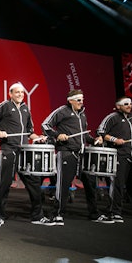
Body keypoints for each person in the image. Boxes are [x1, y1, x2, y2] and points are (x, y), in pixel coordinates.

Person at [0, 81, 55, 227]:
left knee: (34, 183)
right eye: (17, 92)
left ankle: (37, 216)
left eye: (22, 92)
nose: (20, 95)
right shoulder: (5, 106)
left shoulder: (26, 109)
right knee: (4, 184)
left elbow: (30, 132)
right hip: (8, 150)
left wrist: (39, 138)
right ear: (10, 94)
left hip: (25, 152)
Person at [41, 89, 113, 225]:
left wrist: (94, 141)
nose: (81, 102)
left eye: (82, 99)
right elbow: (45, 125)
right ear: (70, 100)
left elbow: (84, 135)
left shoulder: (82, 115)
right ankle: (57, 214)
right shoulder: (62, 111)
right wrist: (57, 135)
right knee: (63, 184)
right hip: (67, 152)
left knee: (91, 184)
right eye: (79, 100)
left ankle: (94, 213)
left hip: (82, 153)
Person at [97, 96, 132, 222]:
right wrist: (114, 140)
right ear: (118, 106)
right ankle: (114, 212)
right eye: (126, 104)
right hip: (118, 156)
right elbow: (101, 132)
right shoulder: (112, 117)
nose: (129, 105)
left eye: (130, 103)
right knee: (117, 184)